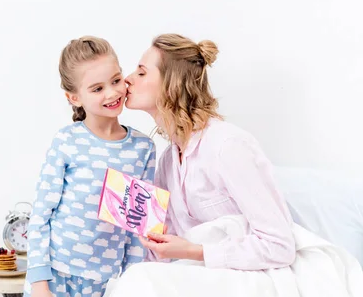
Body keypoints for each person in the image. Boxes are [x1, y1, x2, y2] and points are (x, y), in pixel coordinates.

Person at [13, 36, 156, 297]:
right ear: (74, 98)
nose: (113, 92)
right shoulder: (67, 142)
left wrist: (130, 287)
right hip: (54, 277)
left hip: (105, 285)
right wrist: (39, 284)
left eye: (116, 80)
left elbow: (137, 231)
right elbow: (41, 217)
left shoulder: (143, 148)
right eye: (98, 88)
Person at [124, 33, 296, 269]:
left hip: (256, 279)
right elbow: (160, 251)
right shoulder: (167, 162)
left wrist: (194, 252)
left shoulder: (228, 146)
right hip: (204, 282)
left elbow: (280, 247)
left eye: (141, 73)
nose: (127, 80)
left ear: (171, 84)